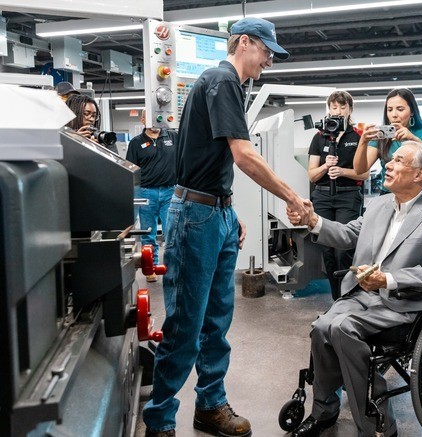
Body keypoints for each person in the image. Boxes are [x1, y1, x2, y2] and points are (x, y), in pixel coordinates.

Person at [142, 17, 310, 437]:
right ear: (244, 43)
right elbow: (243, 156)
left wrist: (229, 212)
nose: (269, 59)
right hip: (196, 216)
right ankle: (160, 420)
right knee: (186, 325)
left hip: (214, 212)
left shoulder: (228, 86)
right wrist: (291, 196)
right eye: (266, 50)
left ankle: (210, 405)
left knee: (217, 321)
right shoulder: (221, 80)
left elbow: (214, 163)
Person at [287, 141, 422, 437]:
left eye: (397, 160)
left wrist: (387, 280)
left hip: (405, 303)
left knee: (341, 328)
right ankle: (324, 411)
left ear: (419, 174)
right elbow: (348, 234)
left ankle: (377, 422)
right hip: (361, 294)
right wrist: (313, 221)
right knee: (321, 328)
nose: (388, 165)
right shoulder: (380, 203)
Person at [308, 90, 369, 299]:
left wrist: (342, 171)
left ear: (350, 109)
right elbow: (312, 175)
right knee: (327, 252)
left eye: (343, 107)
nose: (339, 111)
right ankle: (337, 300)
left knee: (344, 250)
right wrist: (326, 166)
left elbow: (365, 172)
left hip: (348, 196)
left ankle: (348, 298)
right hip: (323, 197)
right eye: (334, 107)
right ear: (329, 109)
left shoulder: (358, 136)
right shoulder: (319, 137)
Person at [353, 88, 422, 194]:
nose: (394, 114)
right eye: (390, 109)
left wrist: (414, 139)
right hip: (389, 195)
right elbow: (359, 170)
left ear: (412, 111)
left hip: (419, 196)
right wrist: (363, 142)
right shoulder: (382, 135)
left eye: (400, 109)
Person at [126, 110, 178, 282]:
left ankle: (172, 268)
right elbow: (131, 170)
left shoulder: (172, 136)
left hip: (170, 191)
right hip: (146, 192)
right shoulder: (136, 143)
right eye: (148, 117)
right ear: (142, 120)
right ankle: (151, 268)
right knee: (149, 233)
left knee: (172, 232)